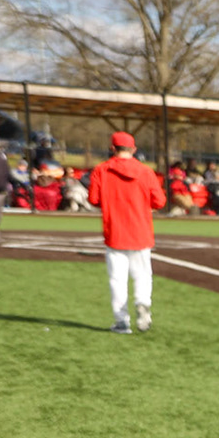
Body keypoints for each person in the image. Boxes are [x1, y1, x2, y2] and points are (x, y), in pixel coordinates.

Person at [87, 131, 167, 334]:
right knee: (142, 274)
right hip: (140, 229)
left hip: (115, 230)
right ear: (134, 150)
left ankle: (122, 321)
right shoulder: (146, 172)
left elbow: (94, 199)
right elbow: (160, 201)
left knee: (117, 278)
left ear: (112, 149)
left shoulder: (101, 170)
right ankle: (142, 302)